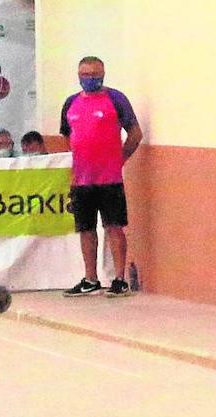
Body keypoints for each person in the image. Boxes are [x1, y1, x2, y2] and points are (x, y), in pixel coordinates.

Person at [60, 56, 142, 298]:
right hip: (82, 181)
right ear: (78, 76)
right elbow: (67, 136)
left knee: (113, 227)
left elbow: (135, 134)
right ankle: (90, 279)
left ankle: (119, 280)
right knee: (85, 229)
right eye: (85, 75)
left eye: (95, 75)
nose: (90, 79)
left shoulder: (116, 99)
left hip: (110, 179)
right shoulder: (70, 103)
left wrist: (120, 159)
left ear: (103, 75)